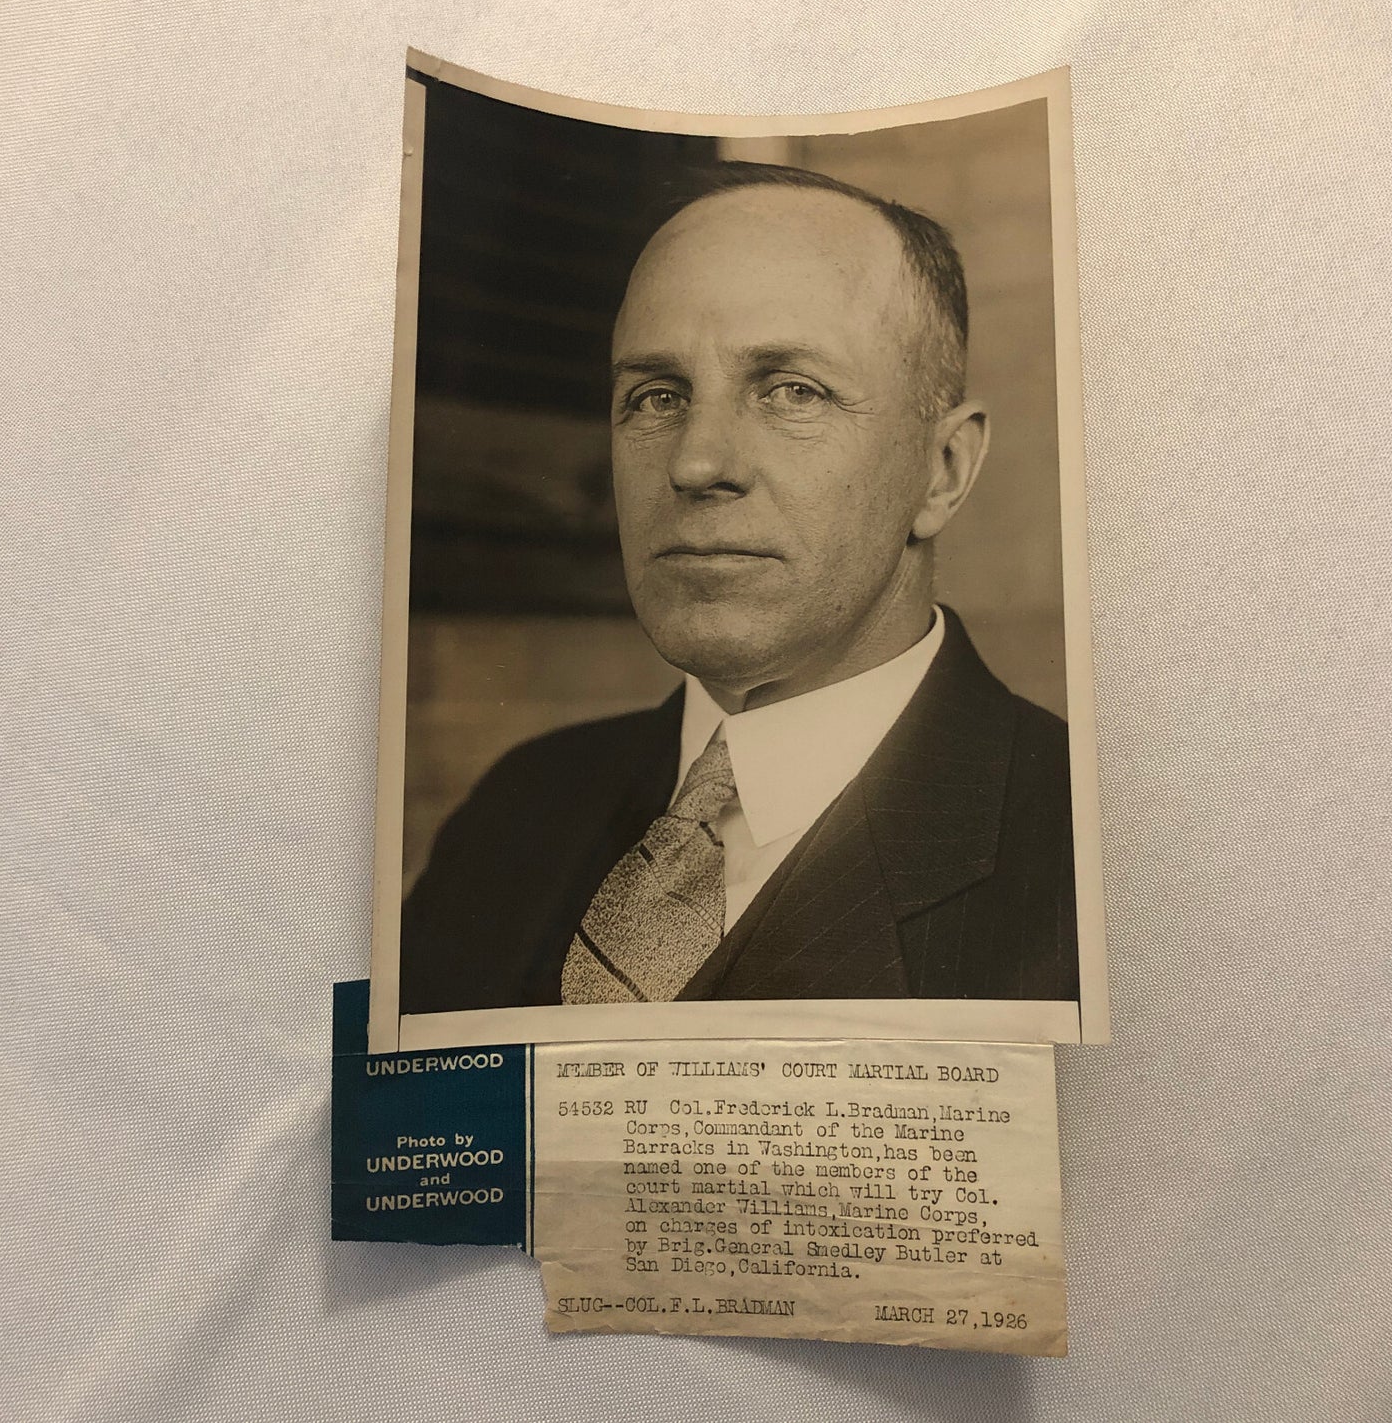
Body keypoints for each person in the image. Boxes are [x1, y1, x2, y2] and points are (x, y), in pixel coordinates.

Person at [400, 162, 1076, 1013]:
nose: (695, 463)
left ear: (941, 472)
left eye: (791, 390)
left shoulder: (1085, 856)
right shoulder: (516, 808)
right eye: (654, 396)